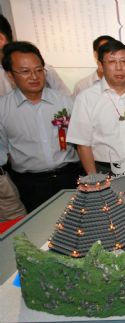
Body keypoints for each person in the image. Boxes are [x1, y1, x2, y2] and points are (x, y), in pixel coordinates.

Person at [0, 41, 79, 212]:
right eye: (25, 71)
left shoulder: (64, 101)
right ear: (10, 76)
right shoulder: (3, 110)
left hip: (70, 176)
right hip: (30, 185)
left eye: (38, 70)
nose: (34, 77)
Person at [67, 40, 125, 175]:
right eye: (112, 62)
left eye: (124, 61)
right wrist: (94, 179)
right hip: (105, 171)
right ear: (100, 65)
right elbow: (82, 145)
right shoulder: (86, 98)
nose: (119, 67)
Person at [0, 14, 71, 97]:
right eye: (25, 71)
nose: (34, 76)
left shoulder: (45, 70)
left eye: (25, 71)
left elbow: (66, 100)